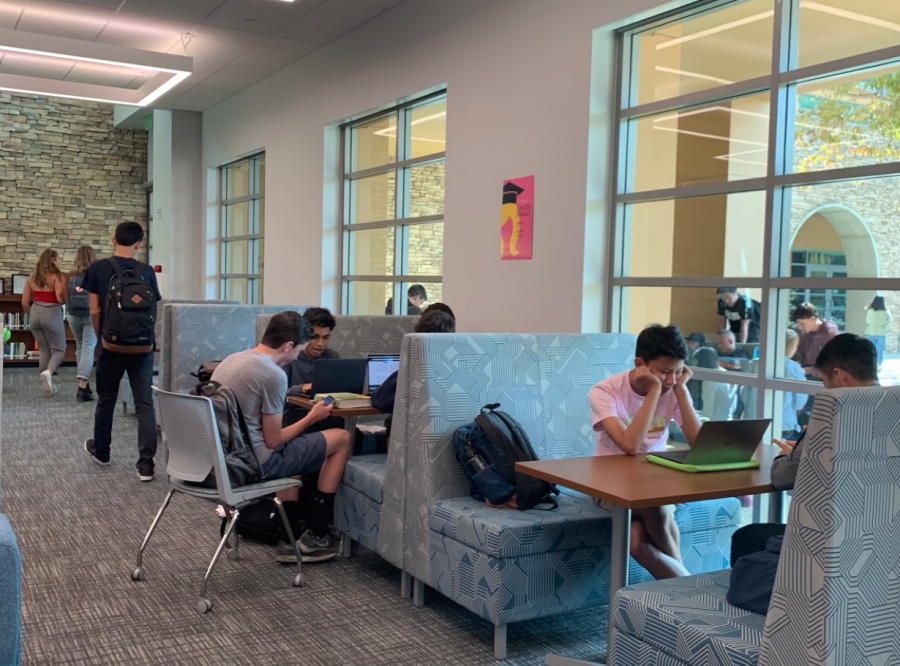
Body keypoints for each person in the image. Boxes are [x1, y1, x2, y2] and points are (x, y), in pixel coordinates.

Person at [728, 334, 879, 614]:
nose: (825, 389)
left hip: (829, 548)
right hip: (876, 543)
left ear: (839, 375)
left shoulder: (833, 416)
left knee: (747, 546)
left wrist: (791, 454)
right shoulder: (889, 408)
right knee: (754, 536)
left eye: (824, 382)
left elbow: (782, 476)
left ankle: (770, 627)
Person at [212, 311, 351, 561]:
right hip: (255, 463)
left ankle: (289, 534)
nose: (298, 355)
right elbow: (274, 440)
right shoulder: (273, 374)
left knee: (294, 446)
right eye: (299, 349)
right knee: (341, 438)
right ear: (288, 345)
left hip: (221, 460)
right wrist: (312, 417)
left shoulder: (230, 361)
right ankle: (318, 534)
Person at [588, 324, 701, 579]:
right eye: (664, 373)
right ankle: (689, 588)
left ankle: (679, 597)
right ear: (640, 363)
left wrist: (681, 392)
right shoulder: (604, 392)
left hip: (656, 480)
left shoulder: (675, 389)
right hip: (608, 485)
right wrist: (653, 392)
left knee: (637, 540)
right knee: (652, 503)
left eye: (679, 371)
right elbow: (630, 446)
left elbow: (697, 442)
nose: (671, 381)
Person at [82, 222, 161, 482]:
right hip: (142, 346)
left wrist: (101, 338)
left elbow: (94, 311)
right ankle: (146, 466)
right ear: (139, 243)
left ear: (113, 240)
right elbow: (153, 312)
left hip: (111, 344)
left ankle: (102, 451)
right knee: (144, 404)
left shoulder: (98, 268)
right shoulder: (147, 271)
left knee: (107, 399)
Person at [370, 307, 456, 437]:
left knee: (393, 420)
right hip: (451, 438)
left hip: (416, 439)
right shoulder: (460, 371)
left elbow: (380, 401)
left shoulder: (412, 372)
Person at [22, 248, 67, 396]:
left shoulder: (32, 277)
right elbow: (60, 299)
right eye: (58, 258)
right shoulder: (57, 277)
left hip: (35, 313)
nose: (59, 261)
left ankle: (46, 385)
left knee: (44, 350)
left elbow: (24, 303)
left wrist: (32, 314)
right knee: (59, 349)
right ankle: (49, 373)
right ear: (53, 260)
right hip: (52, 313)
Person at [284, 308, 340, 398]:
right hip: (294, 409)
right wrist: (301, 388)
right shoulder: (289, 357)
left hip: (324, 408)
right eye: (315, 337)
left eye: (326, 337)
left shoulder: (332, 357)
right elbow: (276, 394)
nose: (320, 343)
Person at [66, 245, 98, 402]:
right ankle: (82, 386)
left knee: (80, 347)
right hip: (90, 314)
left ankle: (85, 385)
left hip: (73, 315)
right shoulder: (96, 275)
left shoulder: (71, 275)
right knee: (88, 348)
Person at [791, 302, 839, 378]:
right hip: (805, 374)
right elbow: (801, 356)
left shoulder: (829, 333)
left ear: (812, 319)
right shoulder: (804, 332)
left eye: (802, 324)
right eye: (798, 324)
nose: (800, 328)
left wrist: (807, 370)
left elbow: (833, 365)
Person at [692, 347, 737, 421]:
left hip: (714, 425)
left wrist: (692, 412)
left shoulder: (709, 382)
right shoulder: (726, 374)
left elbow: (707, 414)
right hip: (729, 422)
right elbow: (733, 408)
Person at [782, 329, 806, 440]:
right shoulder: (793, 368)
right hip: (784, 423)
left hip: (754, 419)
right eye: (795, 346)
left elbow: (744, 395)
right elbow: (799, 402)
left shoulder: (754, 364)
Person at [864, 295, 891, 369]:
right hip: (881, 333)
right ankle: (878, 365)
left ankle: (869, 364)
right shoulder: (885, 312)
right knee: (879, 351)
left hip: (871, 332)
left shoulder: (870, 311)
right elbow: (888, 322)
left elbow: (867, 321)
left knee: (869, 350)